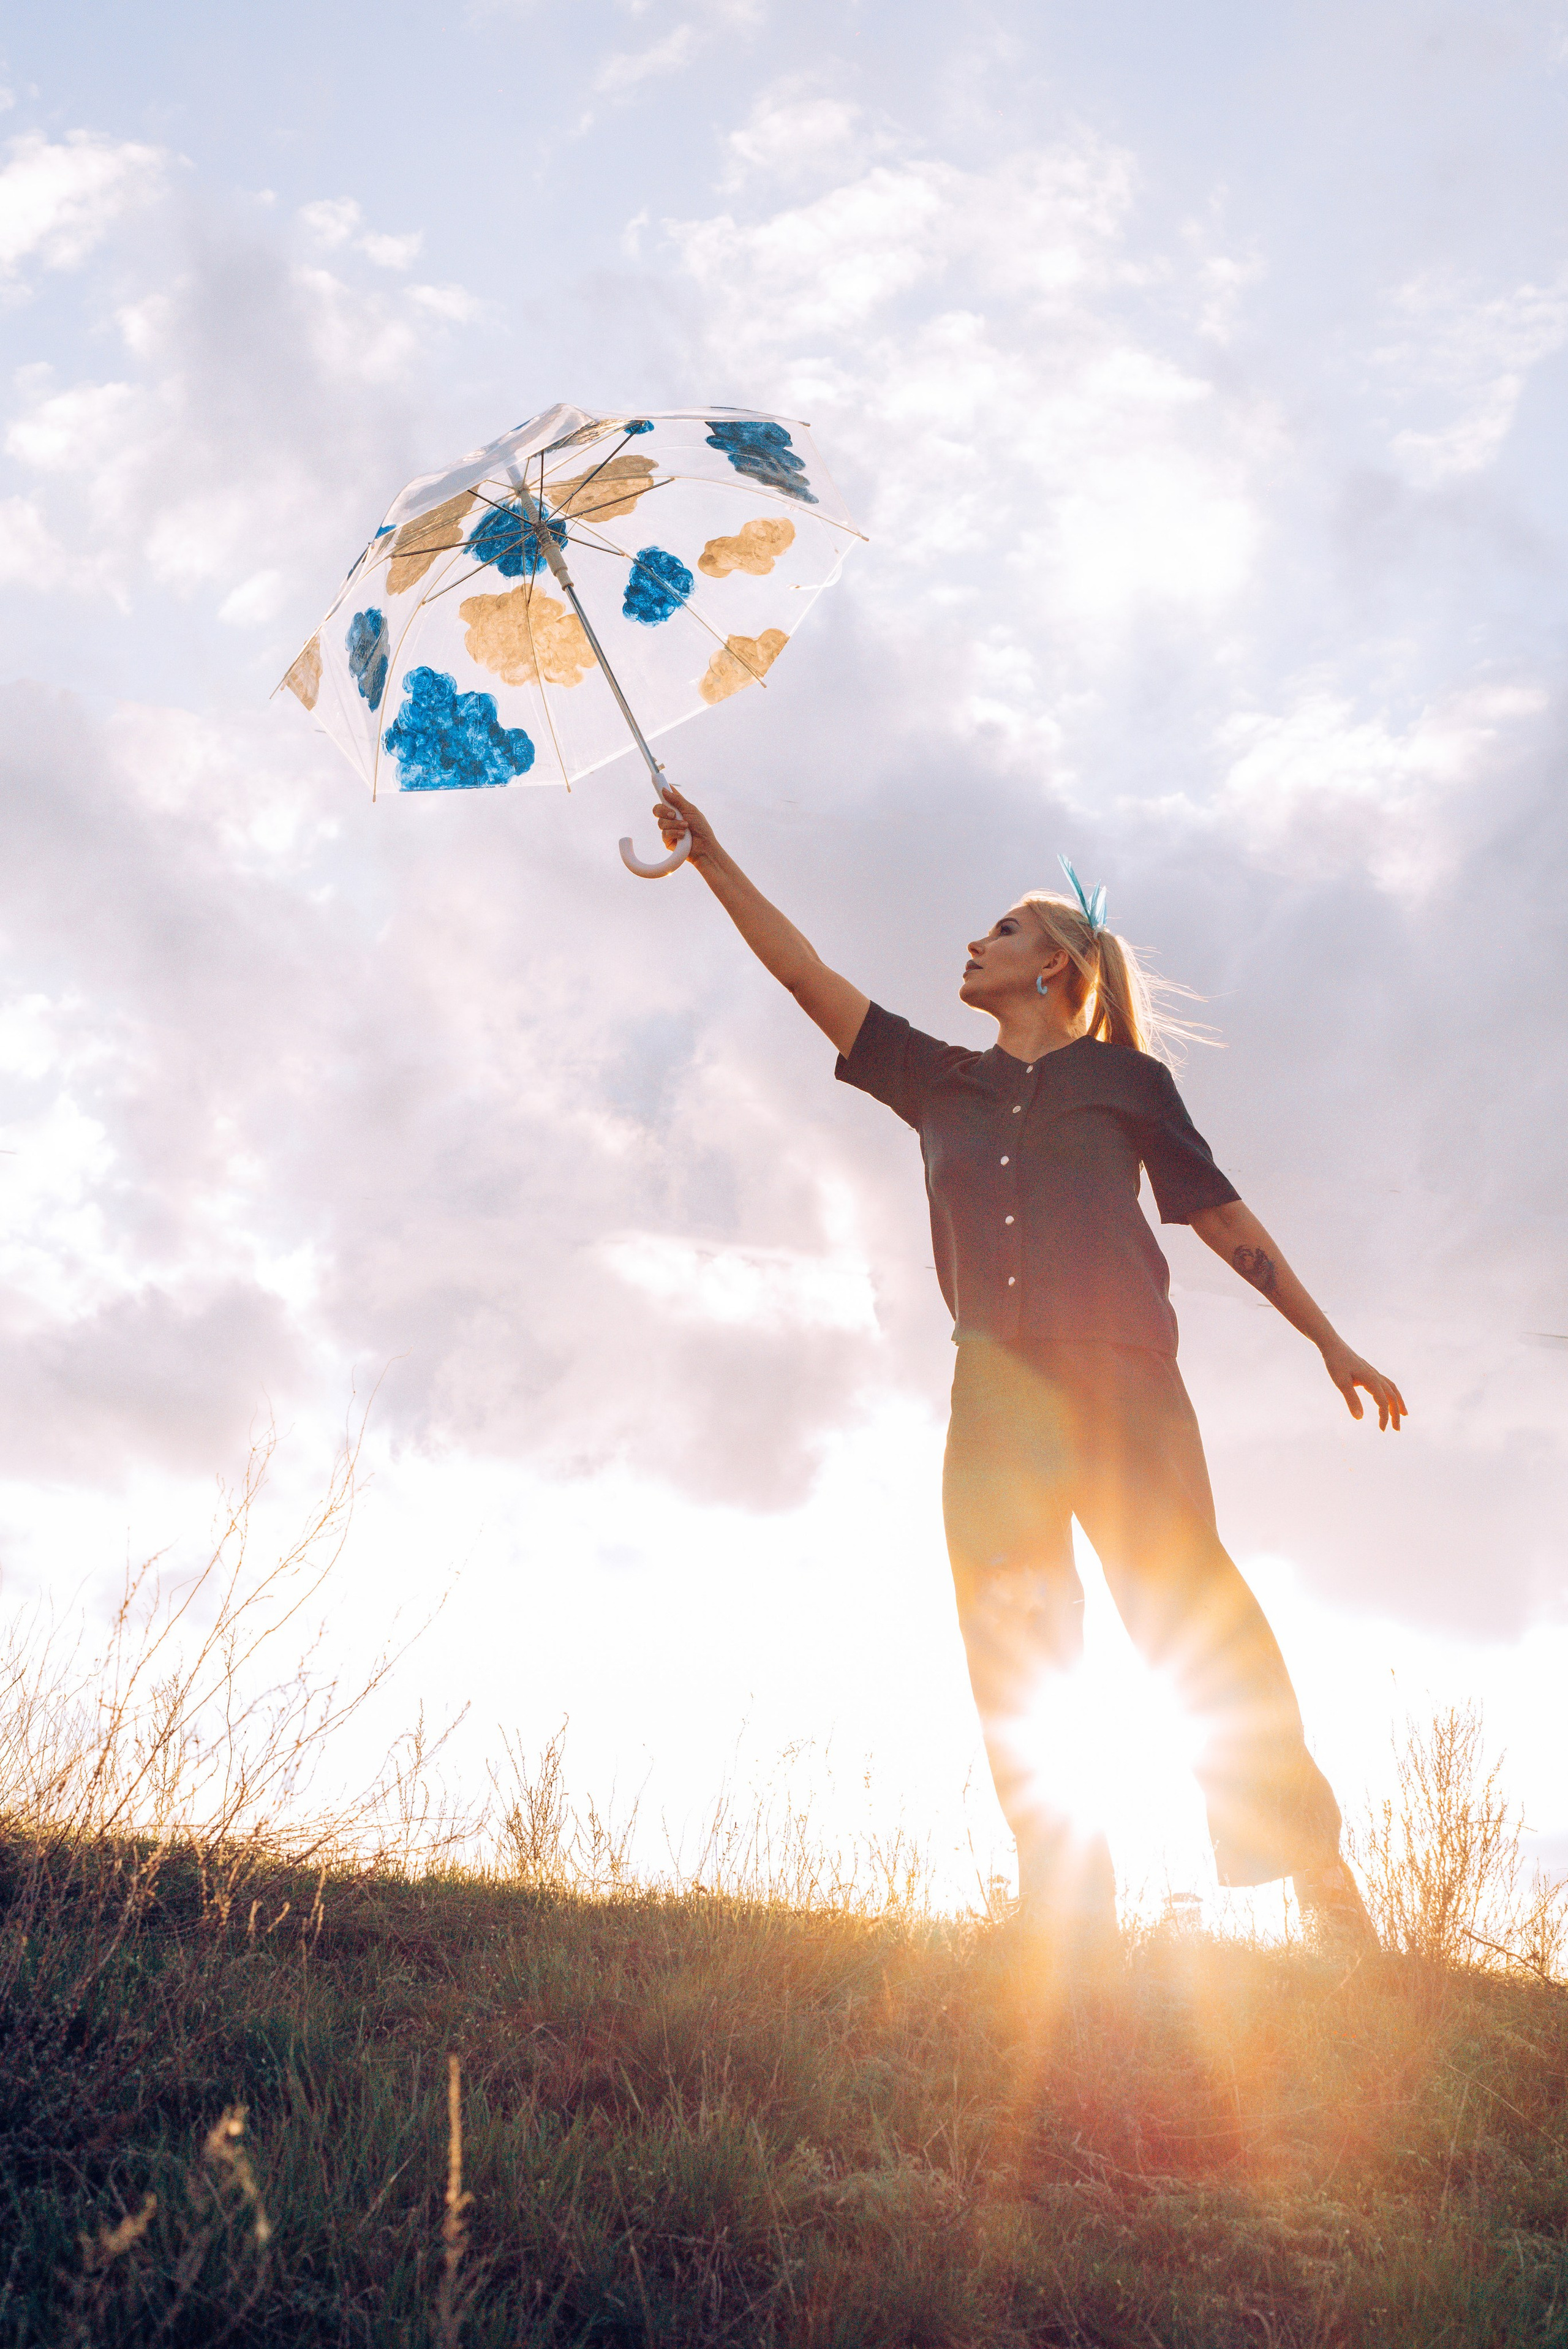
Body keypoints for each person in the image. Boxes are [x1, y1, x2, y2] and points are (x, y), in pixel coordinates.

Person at [648, 785, 1403, 1962]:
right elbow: (803, 974)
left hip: (1125, 1387)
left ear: (1056, 965)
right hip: (993, 1395)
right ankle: (1066, 1909)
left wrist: (1328, 1339)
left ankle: (1316, 1874)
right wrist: (712, 857)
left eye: (1001, 930)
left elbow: (1219, 1216)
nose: (973, 942)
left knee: (1196, 1626)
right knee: (1015, 1646)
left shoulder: (1128, 1084)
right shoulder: (937, 1079)